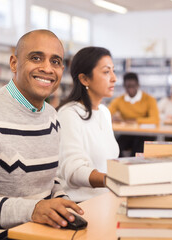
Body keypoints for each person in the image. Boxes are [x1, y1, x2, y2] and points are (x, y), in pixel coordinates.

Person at [0, 29, 83, 239]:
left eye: (55, 61)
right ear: (13, 63)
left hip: (38, 233)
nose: (47, 68)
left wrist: (63, 206)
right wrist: (33, 210)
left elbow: (48, 182)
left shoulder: (52, 117)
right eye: (36, 58)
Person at [57, 47, 119, 202]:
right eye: (106, 72)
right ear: (84, 79)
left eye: (113, 71)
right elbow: (74, 171)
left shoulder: (104, 112)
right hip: (81, 205)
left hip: (106, 199)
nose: (114, 78)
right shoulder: (69, 114)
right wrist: (114, 180)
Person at [108, 72, 159, 156]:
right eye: (128, 86)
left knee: (137, 149)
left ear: (138, 85)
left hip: (145, 133)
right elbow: (107, 113)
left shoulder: (149, 99)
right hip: (128, 133)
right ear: (124, 86)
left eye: (133, 86)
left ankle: (134, 168)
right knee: (115, 148)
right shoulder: (119, 100)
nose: (131, 89)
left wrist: (135, 121)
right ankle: (120, 167)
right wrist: (112, 118)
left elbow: (155, 120)